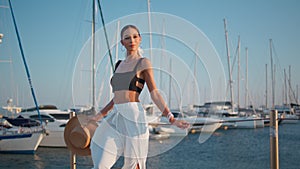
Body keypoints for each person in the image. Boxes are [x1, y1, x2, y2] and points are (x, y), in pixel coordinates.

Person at [89, 24, 190, 169]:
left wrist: (170, 117)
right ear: (122, 43)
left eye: (135, 36)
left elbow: (154, 93)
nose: (132, 40)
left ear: (140, 39)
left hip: (134, 117)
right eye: (127, 38)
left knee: (134, 165)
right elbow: (116, 97)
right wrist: (97, 116)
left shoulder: (143, 62)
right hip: (116, 116)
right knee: (100, 164)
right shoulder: (118, 65)